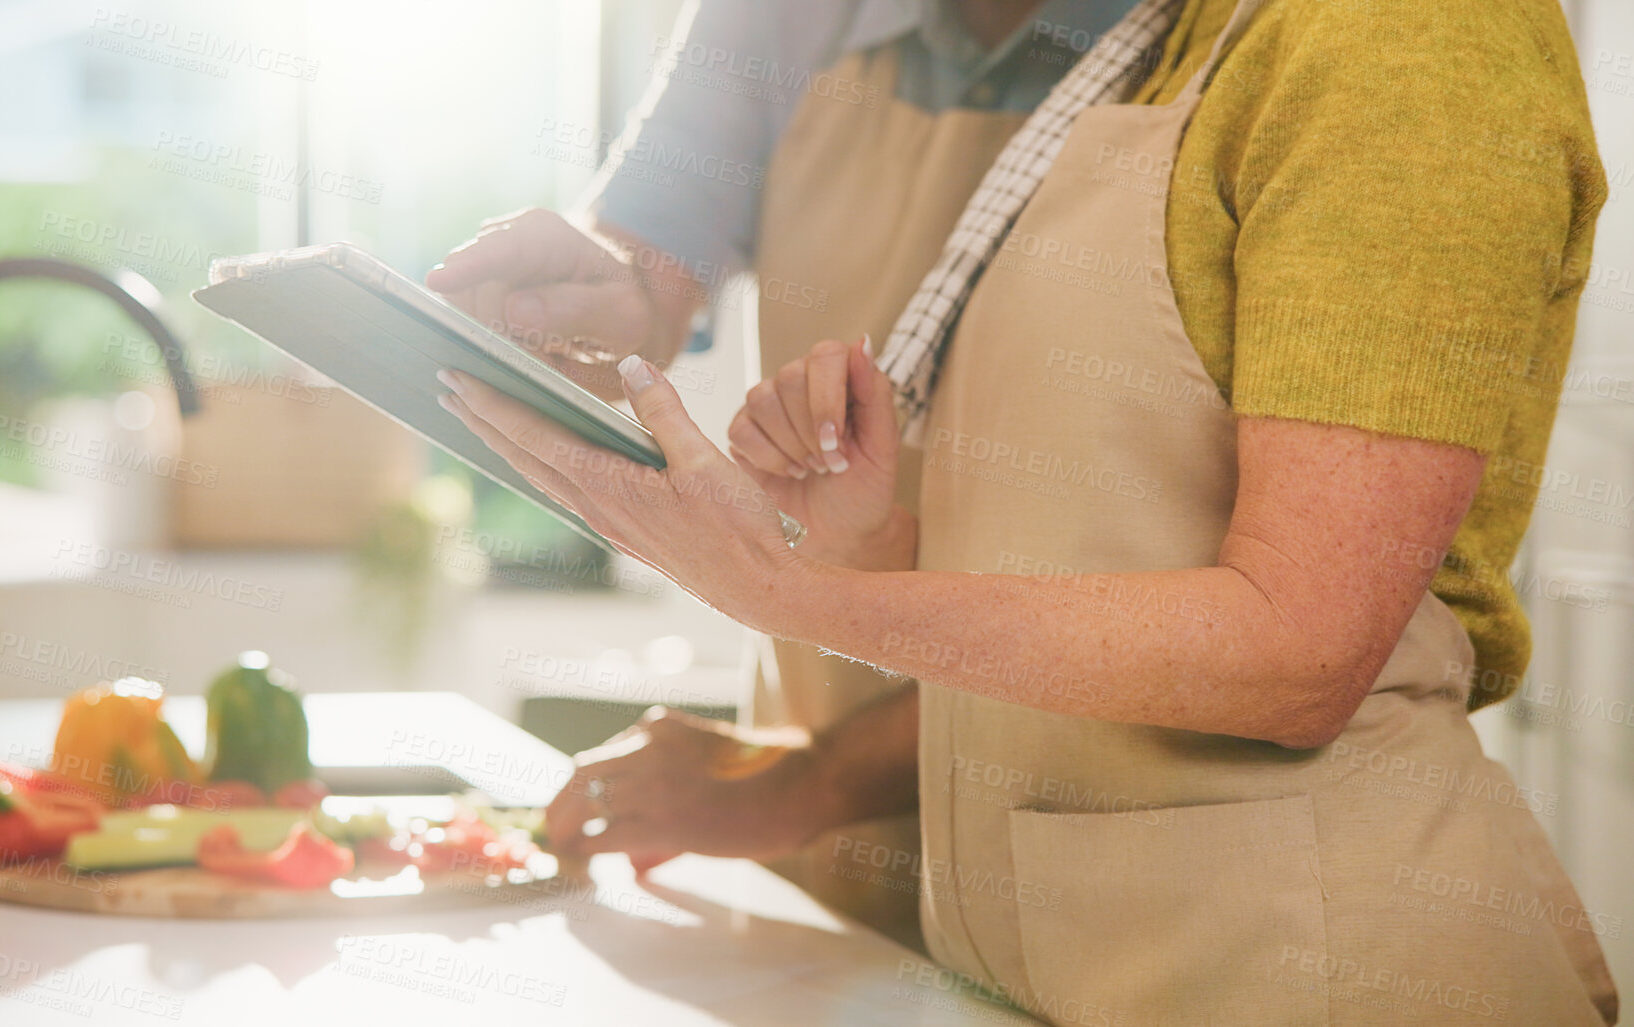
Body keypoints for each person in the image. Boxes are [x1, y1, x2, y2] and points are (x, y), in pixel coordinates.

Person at [438, 0, 1619, 1021]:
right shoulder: (1166, 49)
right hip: (1044, 956)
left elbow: (1303, 652)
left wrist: (800, 592)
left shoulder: (1415, 43)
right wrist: (869, 546)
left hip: (1319, 968)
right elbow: (1094, 516)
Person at [429, 0, 1141, 951]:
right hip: (814, 777)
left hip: (1101, 808)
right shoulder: (774, 17)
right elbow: (642, 280)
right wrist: (598, 299)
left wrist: (807, 782)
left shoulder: (1217, 35)